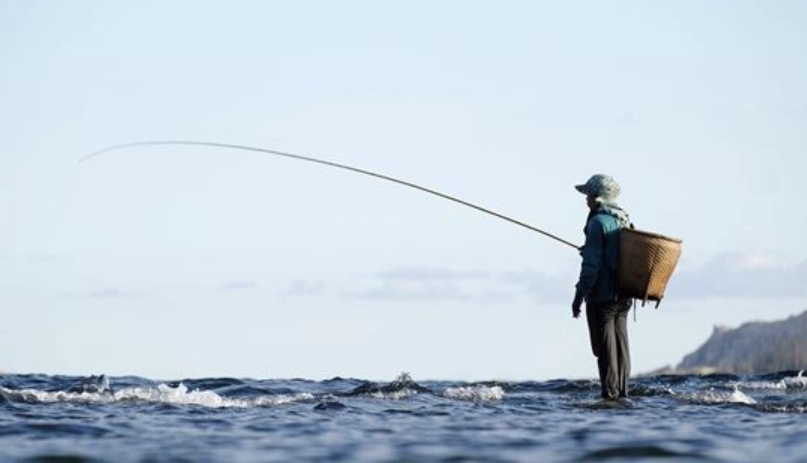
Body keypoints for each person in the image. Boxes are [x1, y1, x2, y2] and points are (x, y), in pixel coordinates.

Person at [571, 174, 632, 399]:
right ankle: (623, 394)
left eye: (588, 195)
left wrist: (579, 296)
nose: (585, 199)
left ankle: (609, 396)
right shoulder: (622, 219)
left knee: (605, 351)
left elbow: (591, 267)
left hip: (602, 296)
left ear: (597, 198)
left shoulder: (597, 223)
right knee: (621, 347)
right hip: (624, 295)